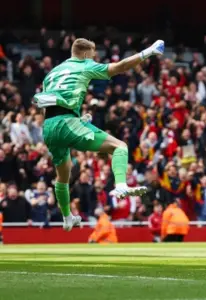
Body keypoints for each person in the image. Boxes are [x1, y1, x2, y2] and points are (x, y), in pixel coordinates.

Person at [32, 38, 165, 232]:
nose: (94, 58)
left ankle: (67, 216)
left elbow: (49, 106)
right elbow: (119, 67)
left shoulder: (52, 73)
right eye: (93, 54)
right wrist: (148, 52)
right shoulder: (84, 65)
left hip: (50, 127)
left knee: (63, 174)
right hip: (67, 123)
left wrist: (77, 118)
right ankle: (121, 184)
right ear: (85, 54)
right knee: (119, 146)